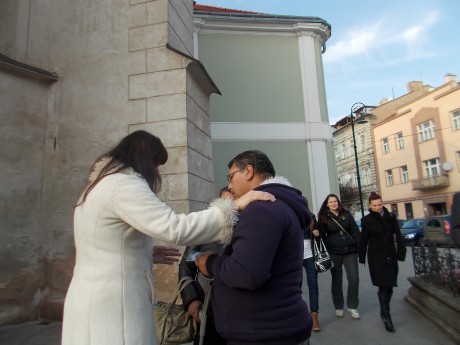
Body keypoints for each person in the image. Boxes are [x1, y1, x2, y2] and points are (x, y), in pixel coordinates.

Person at [61, 131, 274, 345]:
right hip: (113, 304)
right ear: (145, 159)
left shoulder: (102, 184)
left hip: (94, 296)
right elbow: (175, 228)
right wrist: (231, 207)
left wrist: (143, 251)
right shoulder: (123, 185)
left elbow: (101, 243)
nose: (156, 171)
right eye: (156, 164)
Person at [196, 150, 312, 345]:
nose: (230, 186)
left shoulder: (261, 208)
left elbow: (246, 273)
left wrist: (210, 262)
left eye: (231, 177)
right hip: (272, 328)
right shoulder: (277, 205)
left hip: (263, 333)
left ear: (248, 171)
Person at [178, 187, 232, 345]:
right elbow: (186, 267)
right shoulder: (203, 233)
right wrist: (191, 299)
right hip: (208, 310)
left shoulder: (244, 231)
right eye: (224, 203)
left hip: (237, 313)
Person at [359, 192, 406, 333]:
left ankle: (383, 309)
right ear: (370, 205)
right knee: (383, 286)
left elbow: (397, 234)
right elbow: (364, 240)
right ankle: (386, 316)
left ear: (382, 203)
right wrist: (361, 258)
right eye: (374, 205)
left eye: (379, 205)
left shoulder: (390, 217)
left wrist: (401, 253)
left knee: (390, 285)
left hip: (390, 255)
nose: (377, 207)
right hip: (376, 257)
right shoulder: (366, 220)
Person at [317, 194, 361, 319]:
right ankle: (338, 306)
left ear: (338, 202)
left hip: (350, 251)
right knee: (337, 280)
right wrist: (317, 234)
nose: (333, 204)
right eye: (331, 202)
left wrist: (360, 249)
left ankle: (352, 305)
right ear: (327, 204)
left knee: (354, 278)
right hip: (334, 252)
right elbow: (321, 234)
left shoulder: (346, 214)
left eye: (335, 201)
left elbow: (355, 231)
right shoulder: (324, 217)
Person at [302, 204, 321, 332]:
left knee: (313, 284)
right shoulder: (290, 216)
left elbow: (320, 234)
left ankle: (314, 315)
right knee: (294, 286)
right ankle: (295, 315)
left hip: (310, 255)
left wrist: (316, 233)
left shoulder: (311, 217)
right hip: (294, 256)